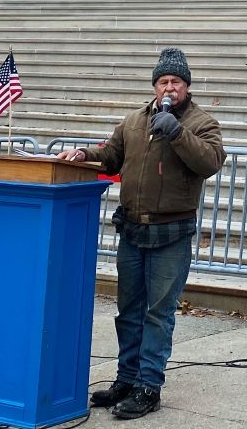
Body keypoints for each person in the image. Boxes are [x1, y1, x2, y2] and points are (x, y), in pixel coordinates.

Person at [59, 47, 225, 420]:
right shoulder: (134, 120)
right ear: (154, 86)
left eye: (176, 82)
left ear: (187, 86)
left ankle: (149, 386)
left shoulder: (202, 123)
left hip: (172, 231)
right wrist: (84, 154)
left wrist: (178, 132)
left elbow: (210, 162)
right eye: (164, 81)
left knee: (158, 313)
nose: (170, 88)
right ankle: (126, 378)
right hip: (133, 228)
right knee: (128, 311)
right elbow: (112, 154)